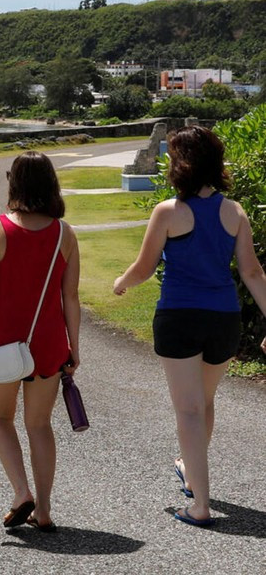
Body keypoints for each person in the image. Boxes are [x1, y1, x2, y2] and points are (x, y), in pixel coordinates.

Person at [113, 125, 266, 528]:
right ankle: (190, 471)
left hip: (180, 317)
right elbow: (252, 273)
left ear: (180, 164)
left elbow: (144, 268)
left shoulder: (168, 211)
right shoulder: (234, 212)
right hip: (223, 320)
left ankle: (200, 505)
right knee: (203, 402)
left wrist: (120, 283)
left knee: (189, 409)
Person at [0, 151, 81, 533]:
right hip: (48, 343)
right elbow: (71, 298)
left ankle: (20, 492)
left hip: (4, 342)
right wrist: (73, 348)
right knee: (40, 425)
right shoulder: (65, 233)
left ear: (14, 182)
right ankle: (43, 509)